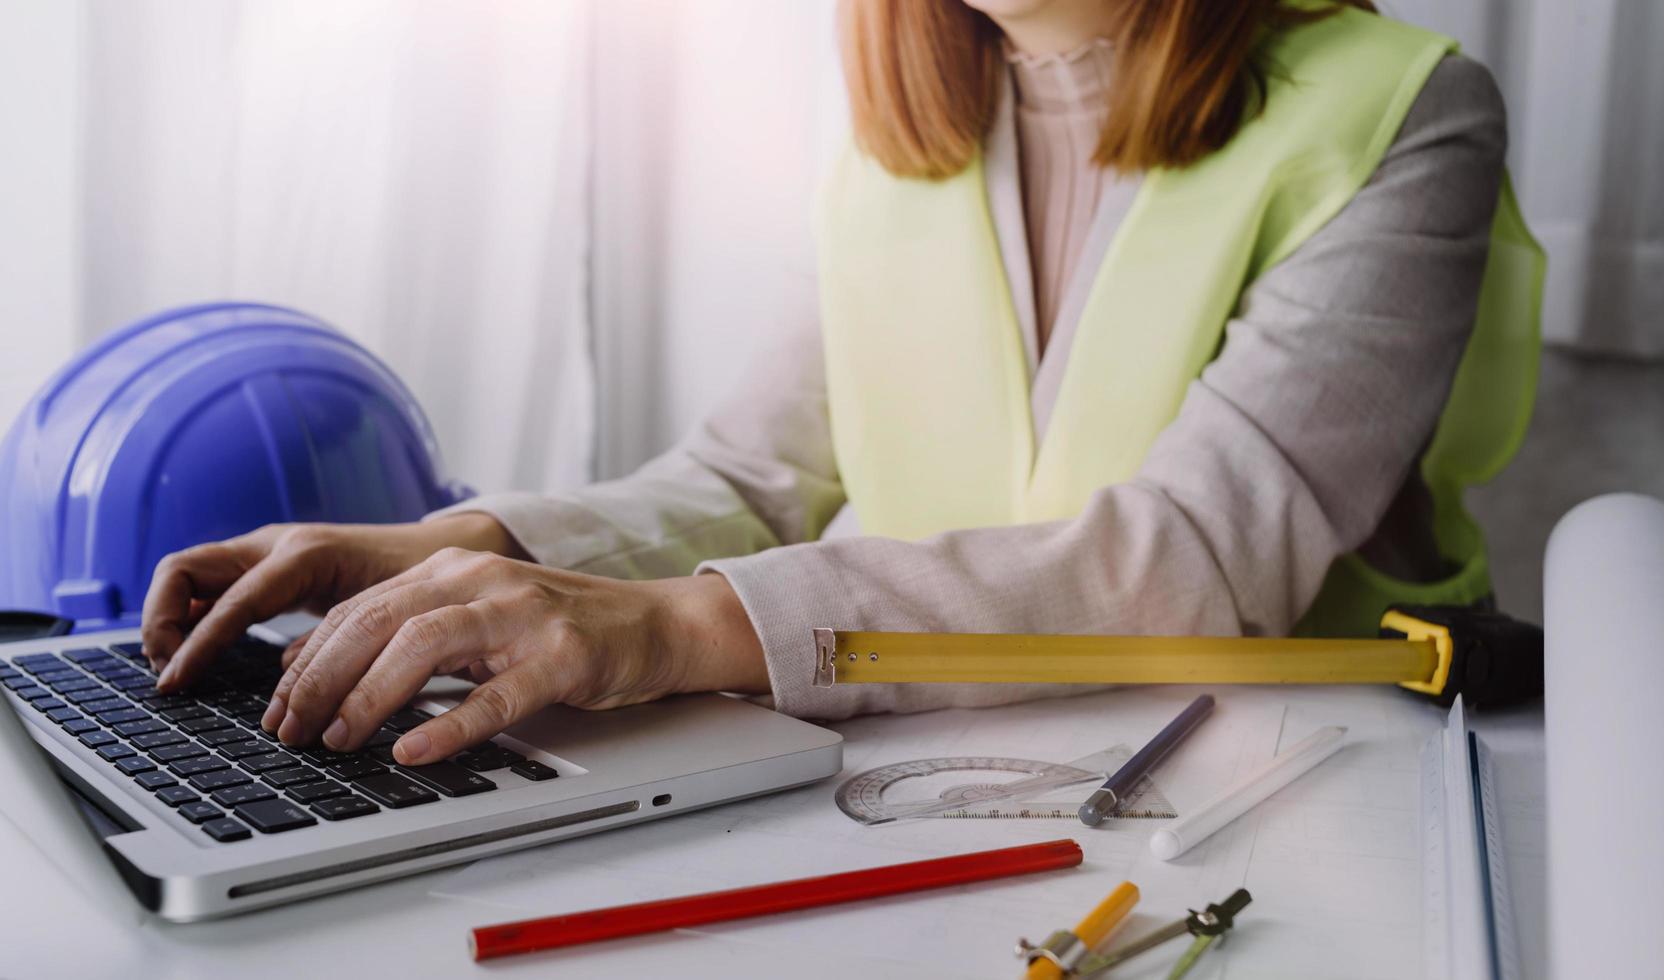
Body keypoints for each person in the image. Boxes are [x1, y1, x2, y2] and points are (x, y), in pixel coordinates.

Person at [140, 0, 1534, 769]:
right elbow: (747, 478)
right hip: (964, 769)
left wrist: (677, 629)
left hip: (1306, 778)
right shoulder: (905, 135)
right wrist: (459, 546)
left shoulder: (1400, 109)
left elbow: (1195, 565)